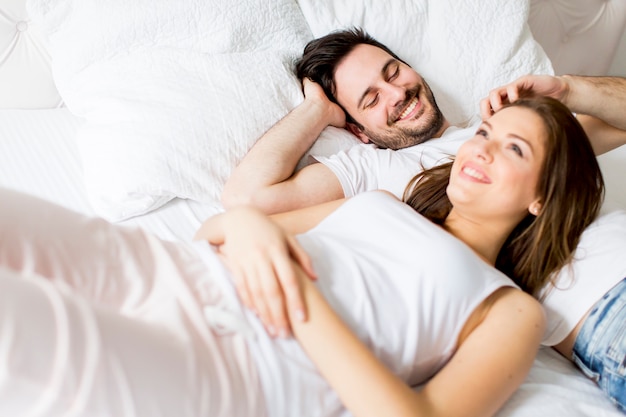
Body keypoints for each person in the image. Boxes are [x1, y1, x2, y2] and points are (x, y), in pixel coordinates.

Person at [0, 96, 602, 417]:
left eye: (513, 148)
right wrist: (248, 228)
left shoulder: (511, 312)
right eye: (484, 134)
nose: (482, 151)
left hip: (233, 364)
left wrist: (300, 293)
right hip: (175, 271)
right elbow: (217, 225)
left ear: (542, 196)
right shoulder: (382, 201)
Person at [221, 28, 626, 215]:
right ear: (357, 131)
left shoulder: (501, 130)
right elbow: (245, 200)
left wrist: (569, 90)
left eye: (393, 72)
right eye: (371, 98)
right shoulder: (370, 169)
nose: (397, 94)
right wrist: (317, 111)